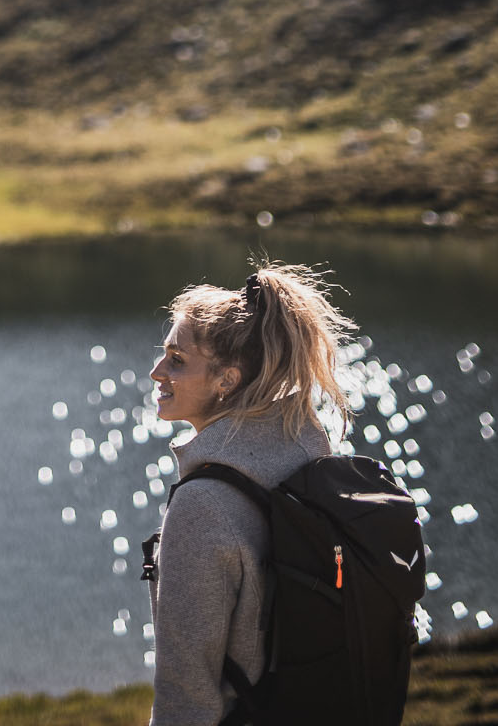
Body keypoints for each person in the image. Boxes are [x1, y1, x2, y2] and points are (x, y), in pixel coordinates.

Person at [146, 263, 355, 726]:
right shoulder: (305, 454)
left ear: (227, 380)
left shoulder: (202, 505)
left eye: (177, 360)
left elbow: (187, 693)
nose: (157, 372)